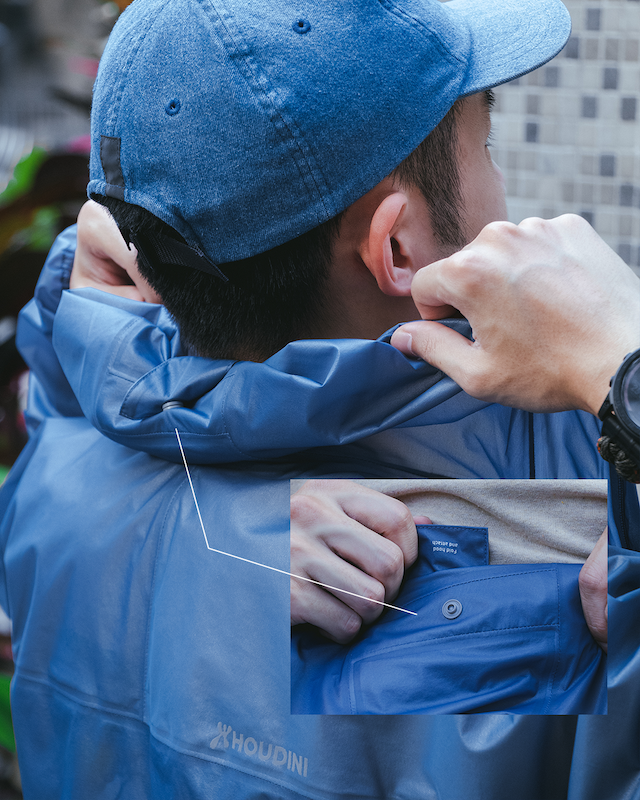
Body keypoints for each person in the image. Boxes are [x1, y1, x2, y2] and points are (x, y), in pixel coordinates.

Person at [0, 0, 638, 795]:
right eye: (488, 149)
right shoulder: (521, 581)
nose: (512, 200)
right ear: (398, 247)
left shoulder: (62, 474)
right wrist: (626, 366)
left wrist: (79, 285)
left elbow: (76, 399)